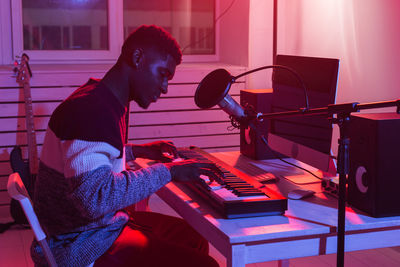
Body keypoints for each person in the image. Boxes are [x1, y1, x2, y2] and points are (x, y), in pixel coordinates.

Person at [31, 25, 221, 267]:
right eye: (162, 73)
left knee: (193, 238)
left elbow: (89, 160)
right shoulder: (90, 111)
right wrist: (170, 172)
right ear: (137, 57)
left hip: (96, 228)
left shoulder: (102, 99)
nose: (164, 88)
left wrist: (135, 151)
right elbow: (95, 199)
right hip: (81, 243)